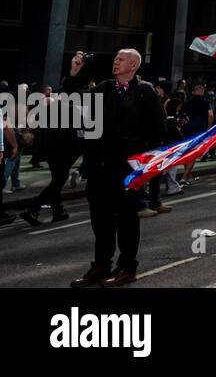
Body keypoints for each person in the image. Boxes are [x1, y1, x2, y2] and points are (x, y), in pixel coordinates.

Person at [70, 49, 166, 287]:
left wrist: (142, 162)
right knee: (100, 220)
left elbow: (159, 130)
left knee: (126, 220)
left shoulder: (145, 92)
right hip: (99, 166)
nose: (116, 62)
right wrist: (74, 75)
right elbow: (75, 102)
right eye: (115, 59)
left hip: (127, 169)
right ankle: (101, 266)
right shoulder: (104, 87)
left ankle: (126, 268)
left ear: (133, 65)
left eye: (121, 59)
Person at [21, 83, 81, 225]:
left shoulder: (38, 109)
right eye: (49, 92)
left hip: (49, 150)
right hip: (61, 150)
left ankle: (57, 211)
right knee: (59, 180)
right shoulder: (54, 105)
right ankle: (34, 208)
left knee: (57, 180)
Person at [178, 83, 213, 186]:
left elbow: (181, 116)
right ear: (202, 92)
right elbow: (210, 115)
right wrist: (208, 128)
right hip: (199, 130)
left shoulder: (187, 102)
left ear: (193, 92)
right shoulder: (206, 103)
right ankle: (184, 177)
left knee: (187, 152)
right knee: (194, 153)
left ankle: (188, 175)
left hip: (187, 130)